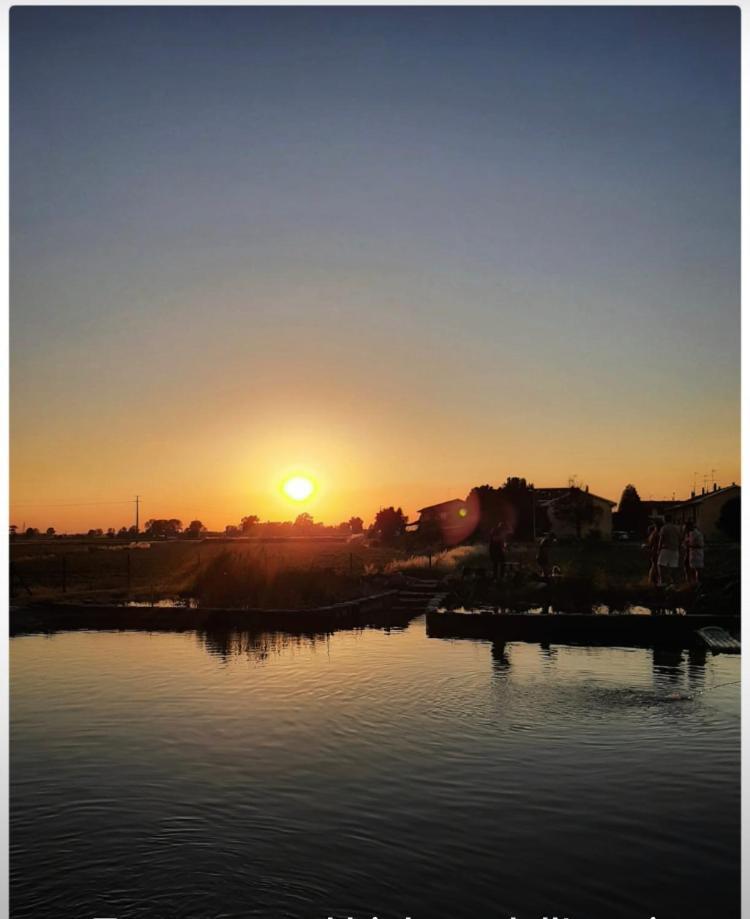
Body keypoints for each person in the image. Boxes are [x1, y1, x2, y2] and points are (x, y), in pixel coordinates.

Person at [657, 514, 681, 586]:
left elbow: (661, 539)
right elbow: (680, 538)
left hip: (666, 549)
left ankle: (663, 582)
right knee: (673, 568)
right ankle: (674, 583)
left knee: (661, 565)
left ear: (665, 520)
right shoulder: (677, 528)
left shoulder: (664, 528)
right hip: (675, 550)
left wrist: (659, 548)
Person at [683, 519, 705, 585]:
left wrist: (689, 545)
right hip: (691, 554)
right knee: (691, 568)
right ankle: (692, 583)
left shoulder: (697, 534)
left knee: (697, 569)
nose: (685, 529)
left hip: (697, 554)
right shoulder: (689, 534)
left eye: (686, 527)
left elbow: (701, 545)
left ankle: (698, 583)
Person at [645, 520, 661, 586]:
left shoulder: (654, 534)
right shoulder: (656, 533)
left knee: (654, 566)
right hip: (656, 552)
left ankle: (653, 580)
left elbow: (650, 543)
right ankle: (653, 580)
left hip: (655, 552)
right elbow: (651, 544)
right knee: (655, 566)